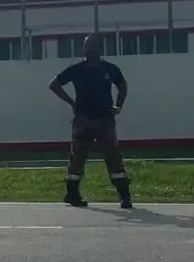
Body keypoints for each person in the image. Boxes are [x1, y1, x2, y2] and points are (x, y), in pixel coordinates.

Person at [48, 34, 132, 210]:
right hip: (83, 119)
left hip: (105, 119)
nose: (88, 50)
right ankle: (72, 194)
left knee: (113, 158)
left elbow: (122, 85)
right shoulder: (77, 69)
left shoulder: (109, 69)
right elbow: (54, 84)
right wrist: (72, 103)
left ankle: (124, 196)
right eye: (87, 47)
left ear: (100, 49)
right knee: (77, 157)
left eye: (92, 47)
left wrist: (118, 106)